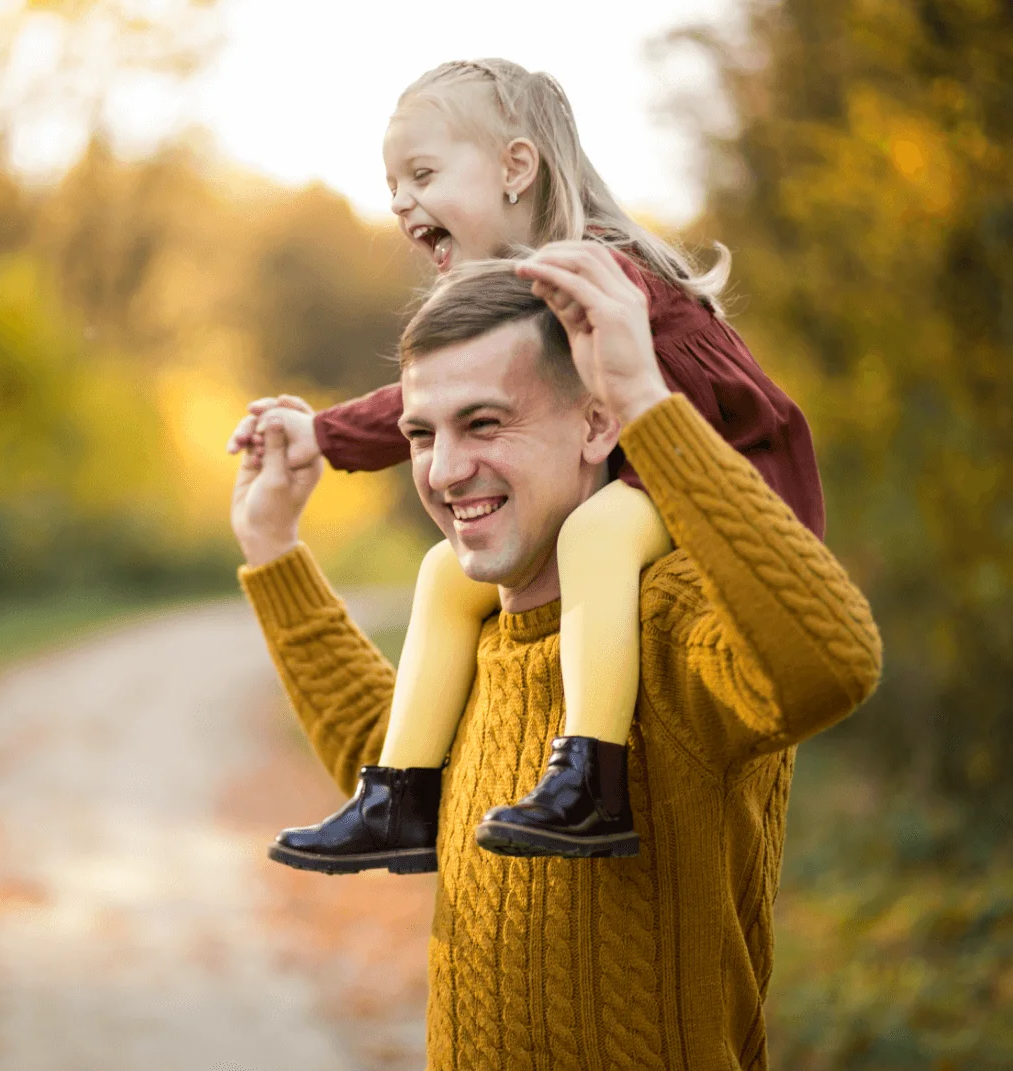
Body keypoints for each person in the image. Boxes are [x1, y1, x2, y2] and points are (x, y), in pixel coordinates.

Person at [231, 244, 881, 1069]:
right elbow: (388, 760)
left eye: (485, 423)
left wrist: (651, 407)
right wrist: (273, 545)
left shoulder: (674, 618)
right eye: (422, 434)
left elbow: (830, 664)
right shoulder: (474, 624)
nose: (444, 470)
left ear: (598, 425)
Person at [229, 59, 825, 870]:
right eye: (392, 183)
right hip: (648, 478)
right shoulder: (531, 291)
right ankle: (399, 793)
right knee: (445, 571)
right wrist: (325, 435)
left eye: (423, 174)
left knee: (593, 535)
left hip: (726, 478)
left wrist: (329, 434)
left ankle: (592, 778)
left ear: (516, 167)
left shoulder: (596, 274)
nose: (400, 201)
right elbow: (447, 397)